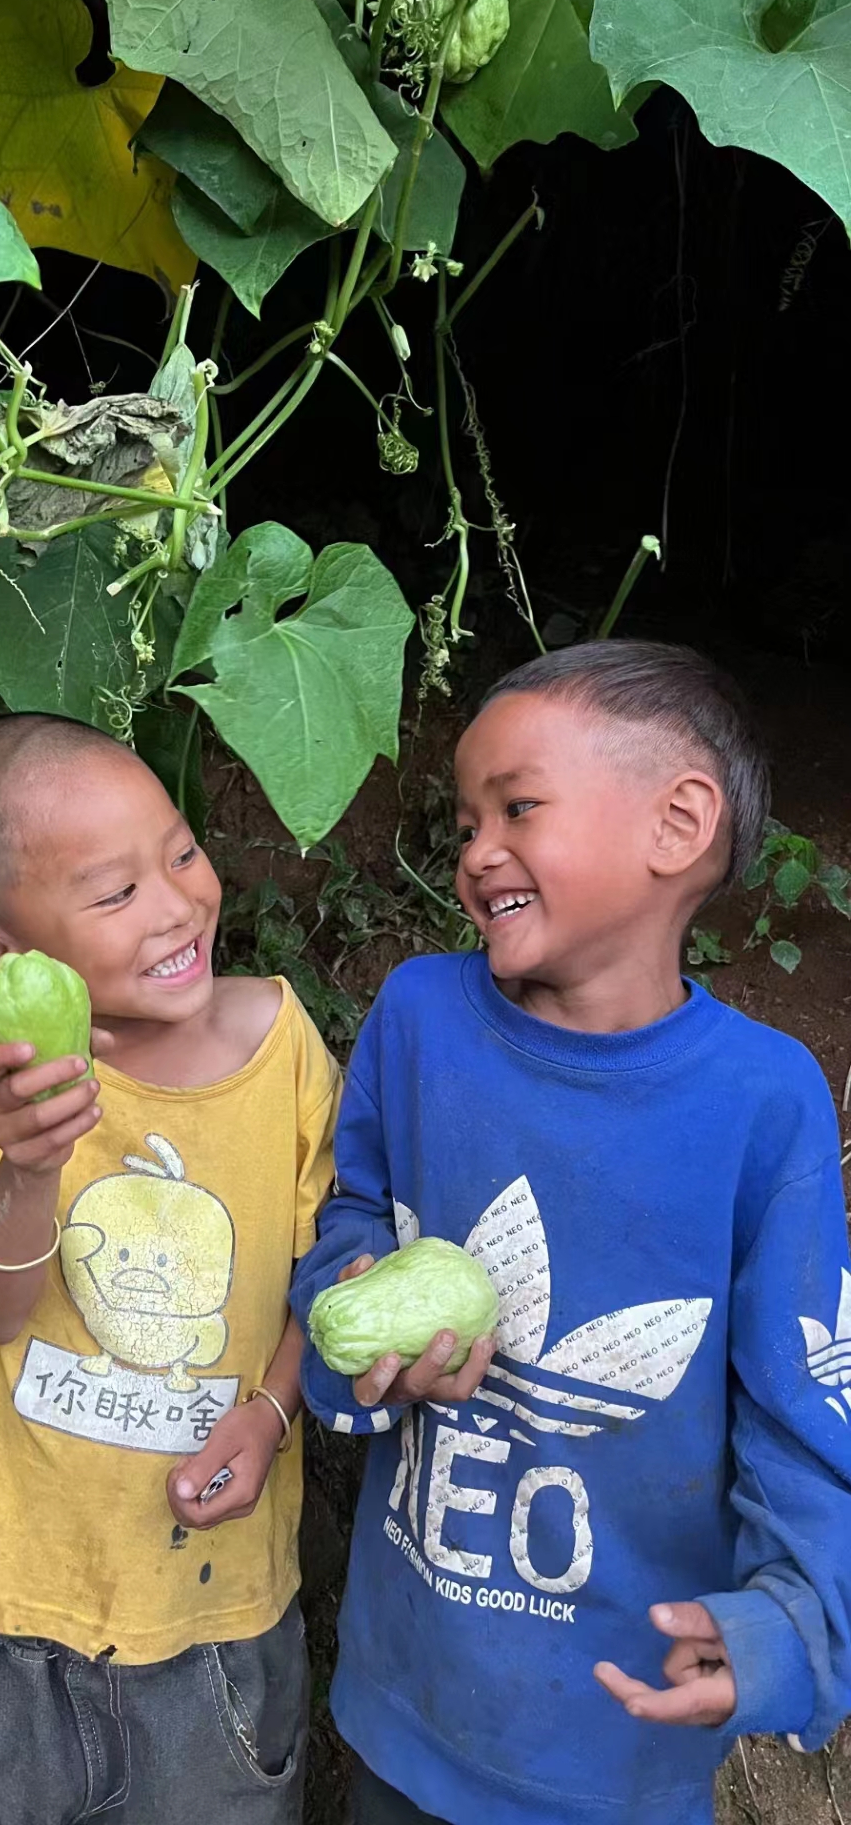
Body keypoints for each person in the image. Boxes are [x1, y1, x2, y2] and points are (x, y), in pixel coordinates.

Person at [291, 640, 851, 1825]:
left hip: (616, 1744)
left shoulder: (764, 1100)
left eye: (518, 807)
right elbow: (354, 1215)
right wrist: (350, 1320)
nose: (476, 850)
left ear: (677, 823)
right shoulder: (419, 1017)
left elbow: (804, 1403)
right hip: (406, 1700)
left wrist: (791, 1624)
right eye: (463, 824)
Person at [0, 711, 340, 1825]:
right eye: (115, 894)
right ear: (1, 959)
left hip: (211, 1611)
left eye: (181, 852)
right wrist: (29, 1166)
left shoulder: (283, 1043)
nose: (176, 905)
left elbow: (332, 1276)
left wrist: (267, 1414)